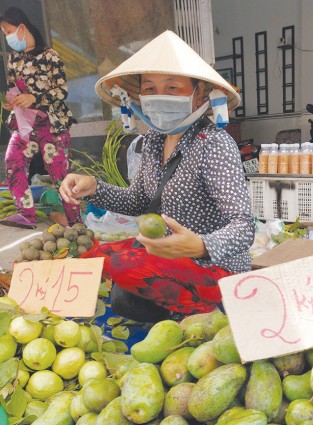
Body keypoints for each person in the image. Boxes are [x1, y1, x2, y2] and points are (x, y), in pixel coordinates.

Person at [59, 31, 255, 321]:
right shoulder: (152, 140)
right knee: (92, 259)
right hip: (165, 252)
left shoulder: (214, 144)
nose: (158, 96)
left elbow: (244, 226)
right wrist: (93, 188)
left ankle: (204, 308)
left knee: (126, 267)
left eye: (172, 87)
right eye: (150, 88)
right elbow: (138, 201)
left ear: (199, 92)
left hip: (212, 267)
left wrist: (202, 246)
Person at [0, 7, 81, 229]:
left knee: (60, 174)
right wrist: (14, 101)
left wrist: (33, 97)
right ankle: (26, 214)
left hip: (52, 126)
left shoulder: (50, 56)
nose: (6, 37)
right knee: (12, 161)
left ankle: (75, 221)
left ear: (22, 28)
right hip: (25, 125)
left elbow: (61, 91)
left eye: (7, 31)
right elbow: (13, 88)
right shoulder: (14, 59)